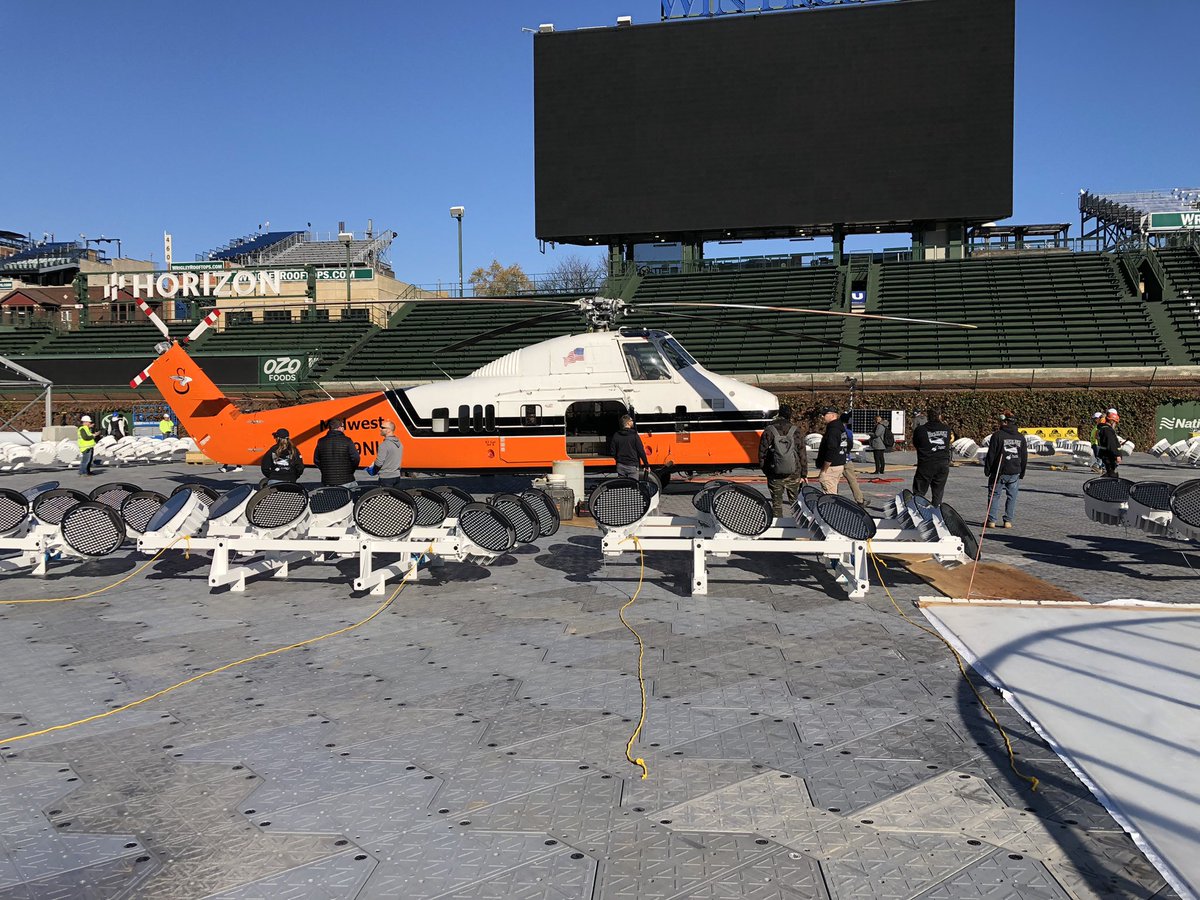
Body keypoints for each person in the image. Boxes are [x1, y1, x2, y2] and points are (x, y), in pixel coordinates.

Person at [758, 404, 806, 517]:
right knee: (795, 503)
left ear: (779, 414)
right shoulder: (795, 430)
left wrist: (766, 470)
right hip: (794, 472)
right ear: (790, 415)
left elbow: (762, 452)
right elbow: (802, 453)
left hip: (774, 472)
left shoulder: (769, 430)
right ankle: (796, 526)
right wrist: (804, 473)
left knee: (776, 504)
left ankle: (778, 527)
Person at [984, 410, 1027, 528]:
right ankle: (1008, 521)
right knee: (1012, 496)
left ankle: (991, 520)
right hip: (1014, 471)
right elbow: (1024, 456)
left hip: (999, 471)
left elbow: (991, 455)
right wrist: (1022, 472)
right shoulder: (1020, 437)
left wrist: (987, 470)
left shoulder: (997, 435)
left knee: (994, 495)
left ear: (1005, 422)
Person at [912, 407, 952, 505]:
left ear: (927, 417)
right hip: (943, 463)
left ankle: (917, 511)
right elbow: (948, 443)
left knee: (919, 491)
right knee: (938, 492)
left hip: (926, 463)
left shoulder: (920, 430)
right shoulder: (946, 429)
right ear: (939, 416)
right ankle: (936, 512)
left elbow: (916, 443)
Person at [314, 418, 361, 487]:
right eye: (343, 427)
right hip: (346, 479)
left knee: (331, 497)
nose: (344, 429)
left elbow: (316, 460)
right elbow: (356, 458)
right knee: (351, 496)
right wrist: (350, 470)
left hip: (328, 480)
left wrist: (326, 470)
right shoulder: (347, 440)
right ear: (339, 428)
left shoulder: (321, 441)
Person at [816, 407, 849, 494]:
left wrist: (824, 468)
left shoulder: (833, 430)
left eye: (825, 414)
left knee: (829, 494)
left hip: (831, 466)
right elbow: (848, 443)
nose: (823, 417)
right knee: (833, 490)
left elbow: (832, 449)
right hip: (839, 462)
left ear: (833, 415)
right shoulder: (840, 428)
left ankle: (831, 507)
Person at [609, 414, 649, 479]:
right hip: (632, 466)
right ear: (628, 423)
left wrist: (619, 460)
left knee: (623, 487)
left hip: (620, 465)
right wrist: (646, 465)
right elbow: (641, 451)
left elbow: (613, 452)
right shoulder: (634, 435)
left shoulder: (616, 435)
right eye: (631, 420)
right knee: (633, 487)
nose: (632, 422)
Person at [840, 413, 866, 505]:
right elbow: (850, 444)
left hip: (837, 458)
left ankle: (833, 498)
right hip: (847, 458)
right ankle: (860, 499)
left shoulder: (835, 430)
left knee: (833, 480)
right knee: (852, 480)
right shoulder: (848, 432)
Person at [369, 420, 404, 487]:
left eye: (382, 427)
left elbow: (379, 463)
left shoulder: (384, 445)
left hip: (386, 478)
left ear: (389, 430)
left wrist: (373, 467)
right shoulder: (399, 443)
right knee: (395, 497)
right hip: (397, 476)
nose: (380, 429)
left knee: (385, 497)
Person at [1096, 411, 1120, 478]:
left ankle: (1103, 482)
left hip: (1106, 454)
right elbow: (1110, 444)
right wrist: (1117, 455)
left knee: (1110, 472)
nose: (1115, 424)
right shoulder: (1108, 430)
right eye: (1115, 422)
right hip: (1109, 456)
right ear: (1112, 421)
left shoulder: (1103, 429)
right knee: (1111, 474)